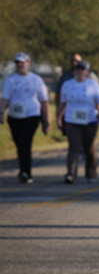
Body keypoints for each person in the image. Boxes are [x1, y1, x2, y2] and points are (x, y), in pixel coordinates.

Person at [0, 52, 51, 184]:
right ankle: (23, 170)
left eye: (23, 62)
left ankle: (26, 172)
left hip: (32, 115)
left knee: (25, 142)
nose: (20, 65)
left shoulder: (37, 80)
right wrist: (1, 112)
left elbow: (44, 101)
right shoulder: (10, 80)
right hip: (15, 117)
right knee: (19, 144)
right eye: (18, 63)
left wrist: (47, 120)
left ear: (28, 63)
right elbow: (5, 98)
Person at [58, 60, 99, 184]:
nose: (80, 71)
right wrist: (58, 118)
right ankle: (70, 174)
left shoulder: (93, 85)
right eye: (78, 69)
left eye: (83, 69)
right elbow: (62, 103)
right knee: (73, 147)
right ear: (74, 70)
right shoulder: (67, 84)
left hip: (90, 120)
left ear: (87, 71)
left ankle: (91, 173)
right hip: (71, 120)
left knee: (89, 147)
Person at [55, 53, 98, 135]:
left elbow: (98, 97)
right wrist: (59, 112)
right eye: (72, 61)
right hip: (70, 113)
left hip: (88, 114)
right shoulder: (65, 76)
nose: (74, 63)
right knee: (73, 139)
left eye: (77, 61)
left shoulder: (91, 77)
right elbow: (58, 95)